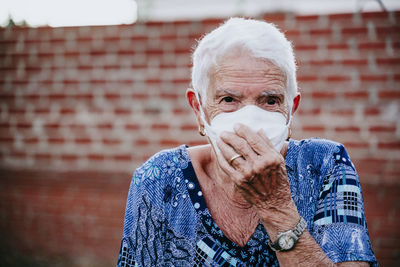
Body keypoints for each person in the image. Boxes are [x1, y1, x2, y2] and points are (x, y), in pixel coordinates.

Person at [117, 18, 377, 266]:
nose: (250, 120)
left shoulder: (325, 165)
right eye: (229, 100)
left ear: (291, 110)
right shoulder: (159, 178)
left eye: (270, 100)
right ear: (198, 109)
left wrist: (276, 207)